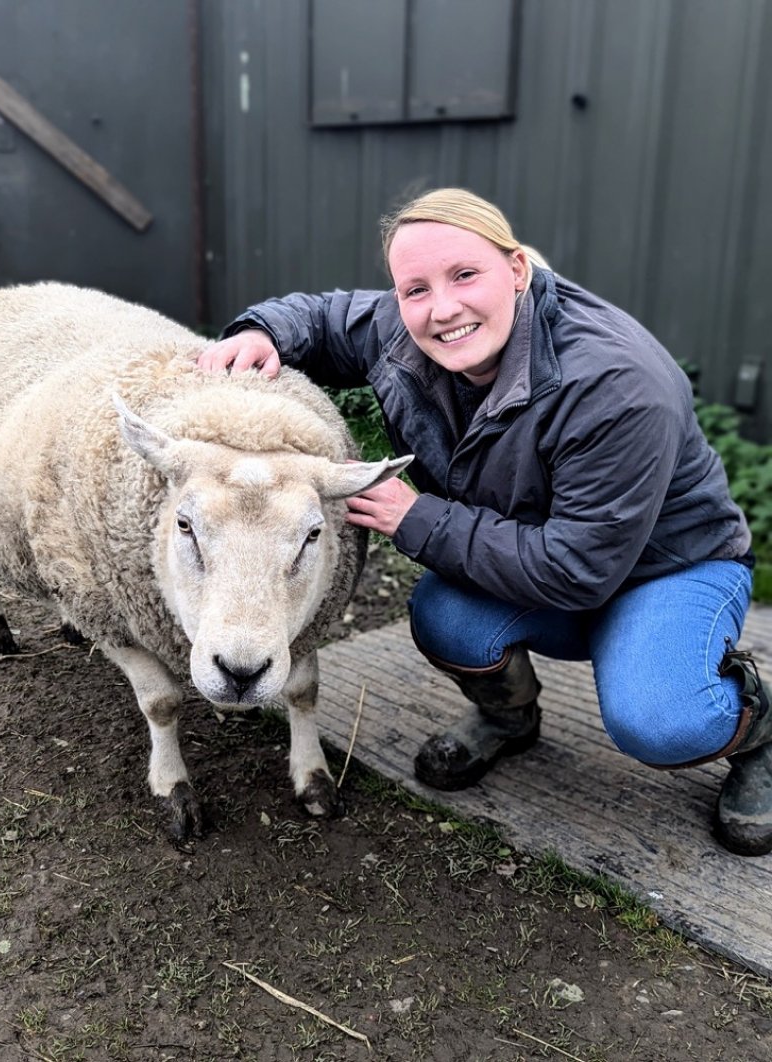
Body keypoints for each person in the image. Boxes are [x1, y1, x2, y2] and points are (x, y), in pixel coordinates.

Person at [198, 187, 771, 857]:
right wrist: (258, 332)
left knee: (659, 718)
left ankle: (759, 732)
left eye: (465, 275)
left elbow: (579, 568)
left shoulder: (618, 385)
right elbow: (325, 319)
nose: (443, 308)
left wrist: (419, 517)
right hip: (540, 556)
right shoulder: (407, 330)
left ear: (519, 269)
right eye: (416, 288)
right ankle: (509, 719)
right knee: (445, 615)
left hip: (669, 568)